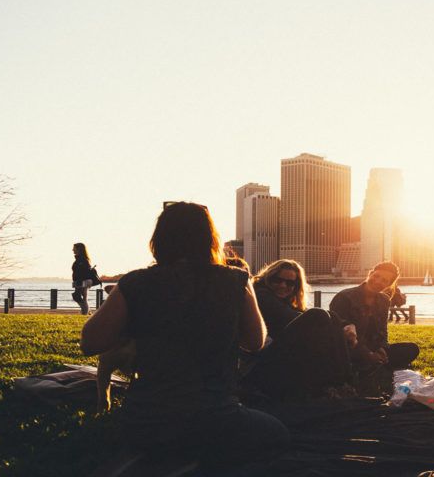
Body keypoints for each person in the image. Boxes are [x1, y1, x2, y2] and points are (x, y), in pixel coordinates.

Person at [80, 202, 288, 471]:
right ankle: (198, 461)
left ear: (159, 240)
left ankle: (171, 459)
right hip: (214, 416)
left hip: (146, 419)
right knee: (277, 434)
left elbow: (90, 343)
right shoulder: (235, 280)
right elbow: (255, 341)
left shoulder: (135, 283)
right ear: (210, 238)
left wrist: (136, 329)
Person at [245, 259, 354, 401]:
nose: (283, 286)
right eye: (277, 280)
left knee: (331, 316)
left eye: (290, 283)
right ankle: (341, 384)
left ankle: (342, 384)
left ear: (296, 287)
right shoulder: (262, 294)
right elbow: (291, 317)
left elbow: (301, 313)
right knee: (319, 316)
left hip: (275, 357)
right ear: (268, 278)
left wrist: (347, 325)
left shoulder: (283, 301)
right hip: (260, 363)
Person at [329, 261, 419, 373]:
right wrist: (368, 354)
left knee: (412, 348)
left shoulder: (384, 300)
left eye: (384, 280)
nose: (377, 281)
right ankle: (370, 365)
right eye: (376, 276)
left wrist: (382, 349)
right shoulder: (344, 297)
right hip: (349, 347)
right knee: (344, 356)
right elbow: (341, 335)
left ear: (389, 284)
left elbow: (383, 332)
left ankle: (372, 364)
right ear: (370, 274)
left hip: (372, 346)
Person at [71, 243, 95, 315]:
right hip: (79, 281)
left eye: (74, 248)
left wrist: (79, 283)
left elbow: (83, 273)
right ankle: (87, 312)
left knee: (82, 297)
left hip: (83, 281)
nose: (73, 250)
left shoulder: (83, 260)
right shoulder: (79, 259)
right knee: (78, 296)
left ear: (79, 249)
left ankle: (85, 313)